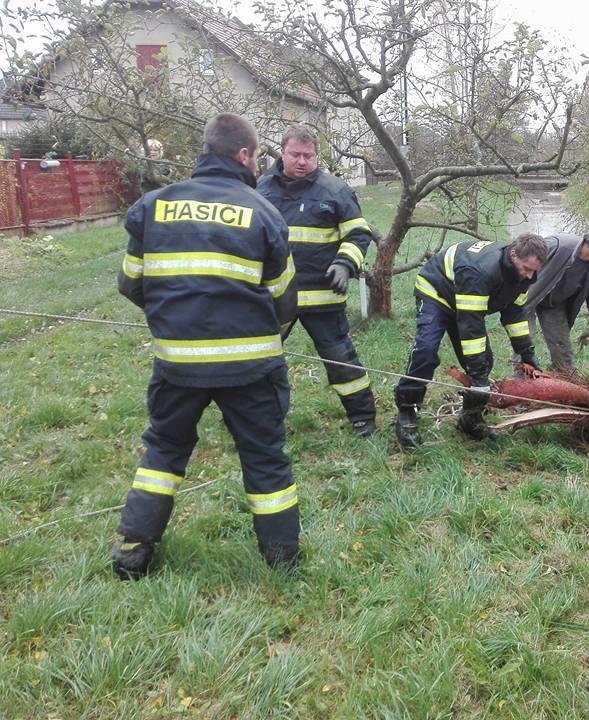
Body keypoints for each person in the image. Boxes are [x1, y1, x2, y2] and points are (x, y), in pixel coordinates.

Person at [113, 113, 300, 579]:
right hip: (252, 367)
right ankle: (282, 557)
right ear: (243, 155)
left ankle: (134, 549)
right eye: (257, 157)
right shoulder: (264, 212)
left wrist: (176, 321)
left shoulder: (153, 207)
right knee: (264, 455)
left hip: (177, 363)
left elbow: (130, 283)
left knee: (164, 450)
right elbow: (285, 300)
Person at [257, 125, 377, 437]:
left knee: (341, 359)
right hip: (273, 296)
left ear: (317, 156)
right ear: (282, 152)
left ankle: (363, 418)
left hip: (323, 295)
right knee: (262, 359)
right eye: (295, 154)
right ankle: (261, 421)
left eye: (308, 156)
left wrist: (345, 264)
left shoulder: (335, 190)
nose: (301, 161)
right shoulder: (260, 190)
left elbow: (358, 233)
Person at [394, 234, 548, 448]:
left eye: (534, 271)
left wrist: (527, 353)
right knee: (426, 352)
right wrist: (478, 378)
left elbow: (514, 315)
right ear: (513, 254)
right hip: (437, 293)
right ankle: (407, 411)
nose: (529, 276)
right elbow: (470, 326)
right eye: (526, 268)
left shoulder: (524, 275)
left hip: (466, 302)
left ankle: (470, 418)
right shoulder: (479, 271)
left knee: (484, 361)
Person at [521, 224, 589, 371]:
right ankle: (520, 383)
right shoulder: (557, 245)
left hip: (554, 305)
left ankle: (563, 382)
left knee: (563, 353)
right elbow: (521, 261)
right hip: (527, 299)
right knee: (524, 345)